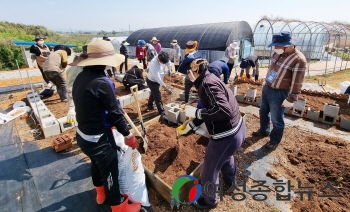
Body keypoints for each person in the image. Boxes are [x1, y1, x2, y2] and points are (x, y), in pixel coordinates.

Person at [72, 40, 141, 212]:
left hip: (83, 135)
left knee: (96, 165)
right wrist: (128, 135)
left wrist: (108, 122)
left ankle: (100, 194)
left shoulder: (81, 77)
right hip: (98, 140)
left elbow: (91, 107)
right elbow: (115, 113)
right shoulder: (103, 82)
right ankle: (118, 207)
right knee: (111, 174)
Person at [177, 58, 245, 210]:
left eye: (188, 73)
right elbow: (210, 108)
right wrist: (192, 124)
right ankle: (231, 180)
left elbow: (223, 111)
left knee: (208, 171)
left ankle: (210, 201)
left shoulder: (207, 84)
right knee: (226, 157)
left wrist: (197, 112)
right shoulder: (210, 78)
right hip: (237, 130)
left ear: (196, 70)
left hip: (226, 136)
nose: (187, 76)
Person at [252, 31, 306, 150]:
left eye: (277, 45)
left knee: (276, 119)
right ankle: (264, 130)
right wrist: (266, 82)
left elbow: (297, 81)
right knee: (263, 112)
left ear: (288, 45)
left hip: (279, 92)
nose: (275, 48)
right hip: (268, 88)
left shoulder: (299, 60)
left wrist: (292, 97)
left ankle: (274, 140)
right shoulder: (277, 53)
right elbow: (273, 70)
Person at [66, 45, 87, 124]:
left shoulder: (92, 67)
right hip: (83, 101)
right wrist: (71, 108)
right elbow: (71, 88)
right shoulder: (75, 70)